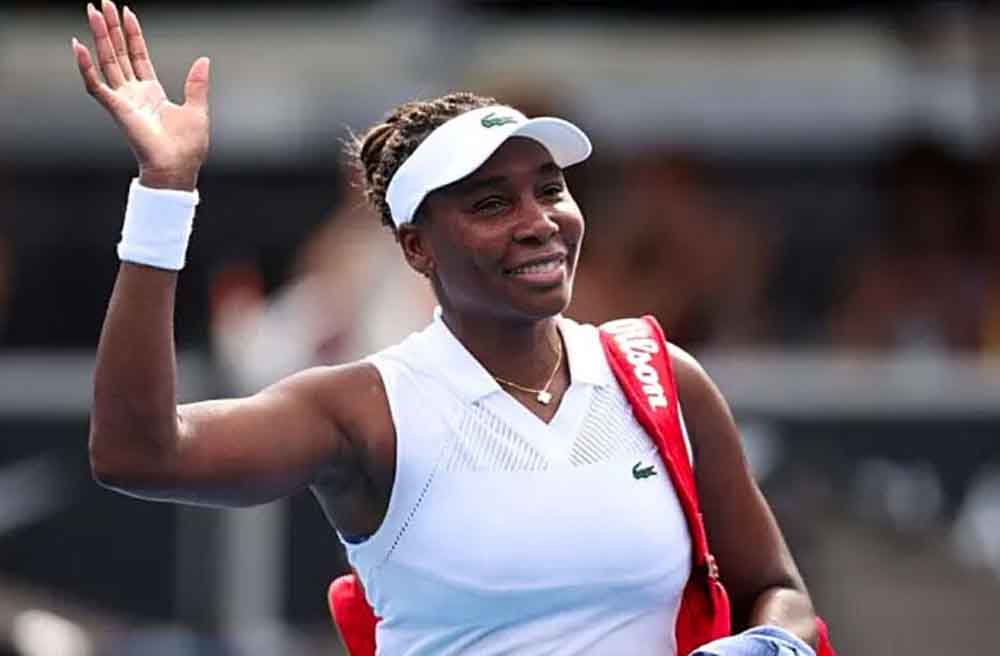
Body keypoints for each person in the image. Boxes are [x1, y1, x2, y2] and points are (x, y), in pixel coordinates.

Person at [72, 2, 824, 654]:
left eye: (551, 190)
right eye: (492, 204)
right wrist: (164, 192)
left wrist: (768, 645)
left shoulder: (663, 379)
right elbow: (138, 452)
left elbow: (776, 588)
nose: (539, 222)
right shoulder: (367, 409)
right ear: (416, 247)